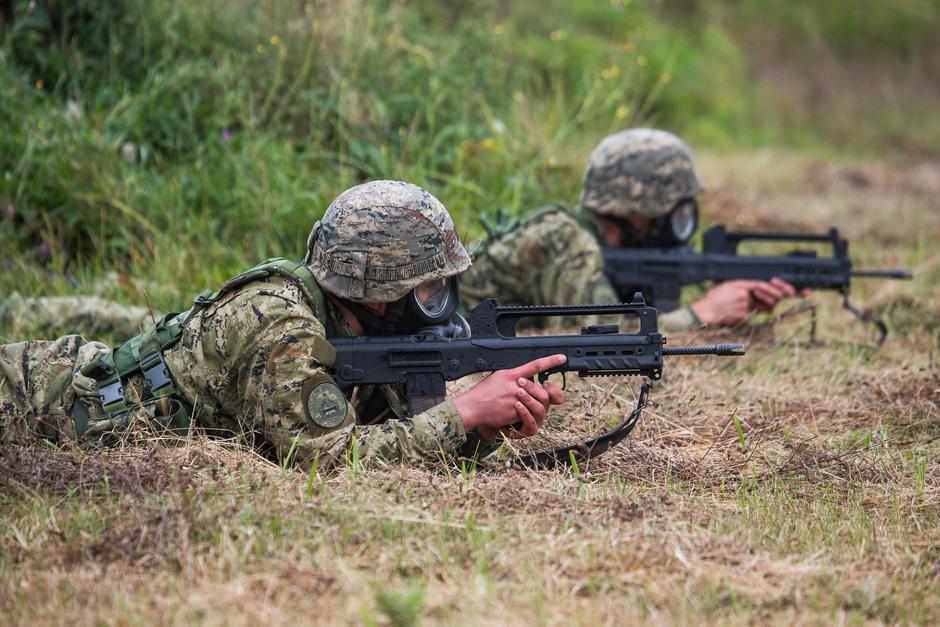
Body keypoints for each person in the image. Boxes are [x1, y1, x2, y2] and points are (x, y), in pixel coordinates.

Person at [0, 180, 566, 470]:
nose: (438, 302)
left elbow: (393, 435)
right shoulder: (283, 326)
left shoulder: (359, 327)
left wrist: (482, 431)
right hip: (36, 398)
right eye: (425, 287)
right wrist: (463, 411)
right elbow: (328, 459)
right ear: (377, 293)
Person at [461, 128, 804, 331]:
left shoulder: (597, 243)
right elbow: (600, 339)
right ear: (640, 210)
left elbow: (618, 308)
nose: (682, 218)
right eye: (675, 206)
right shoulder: (569, 243)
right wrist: (704, 313)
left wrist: (736, 300)